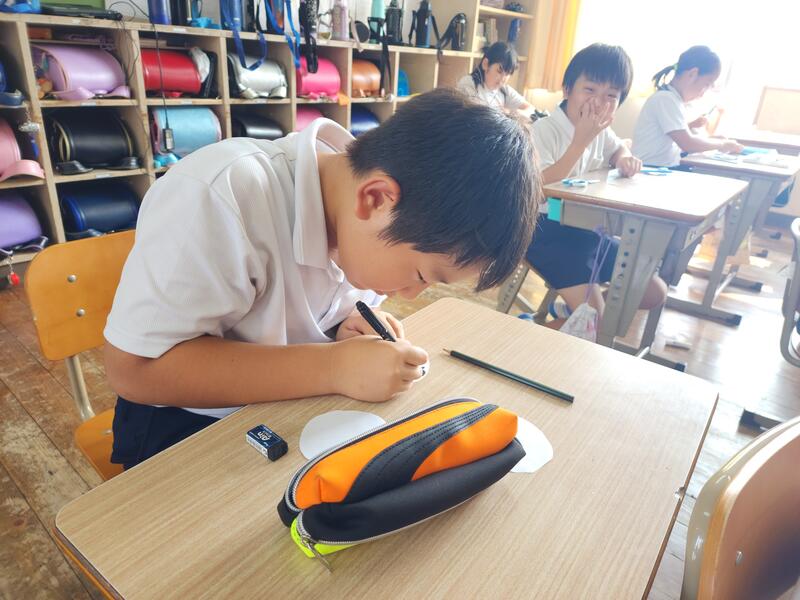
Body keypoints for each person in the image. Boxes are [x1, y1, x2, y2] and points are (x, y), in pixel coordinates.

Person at [103, 89, 540, 469]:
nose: (410, 294)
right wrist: (334, 367)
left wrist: (347, 326)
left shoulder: (364, 222)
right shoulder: (223, 195)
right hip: (185, 427)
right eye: (421, 275)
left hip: (287, 412)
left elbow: (318, 310)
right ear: (376, 199)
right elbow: (134, 370)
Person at [525, 43, 666, 328]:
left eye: (611, 95)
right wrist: (580, 142)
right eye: (589, 90)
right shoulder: (544, 130)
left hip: (587, 231)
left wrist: (624, 158)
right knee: (597, 322)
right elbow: (538, 189)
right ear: (567, 89)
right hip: (545, 232)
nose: (598, 102)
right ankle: (538, 332)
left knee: (654, 293)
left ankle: (575, 318)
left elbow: (618, 149)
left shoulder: (602, 131)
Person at [632, 45, 744, 167]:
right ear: (692, 74)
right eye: (706, 84)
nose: (703, 93)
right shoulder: (665, 99)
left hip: (659, 168)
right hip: (649, 169)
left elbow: (683, 139)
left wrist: (712, 140)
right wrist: (721, 145)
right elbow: (688, 143)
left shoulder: (674, 99)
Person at [456, 41, 533, 116]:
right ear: (485, 64)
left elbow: (531, 110)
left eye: (507, 73)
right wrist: (503, 113)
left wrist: (510, 112)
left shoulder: (504, 90)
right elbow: (476, 115)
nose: (503, 78)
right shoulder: (468, 83)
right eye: (499, 71)